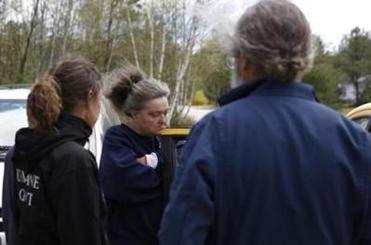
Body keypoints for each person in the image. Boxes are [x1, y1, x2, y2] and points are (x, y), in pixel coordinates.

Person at [159, 1, 371, 245]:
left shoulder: (213, 133)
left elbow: (178, 236)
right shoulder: (355, 141)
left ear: (243, 61)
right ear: (305, 58)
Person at [2, 56, 108, 245]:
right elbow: (82, 235)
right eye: (100, 99)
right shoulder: (74, 160)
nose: (100, 107)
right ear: (90, 96)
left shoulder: (27, 147)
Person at [99, 67, 170, 245]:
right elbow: (123, 183)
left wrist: (147, 163)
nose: (163, 120)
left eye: (165, 113)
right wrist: (164, 169)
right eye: (154, 114)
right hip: (126, 238)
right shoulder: (117, 138)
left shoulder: (163, 139)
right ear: (134, 113)